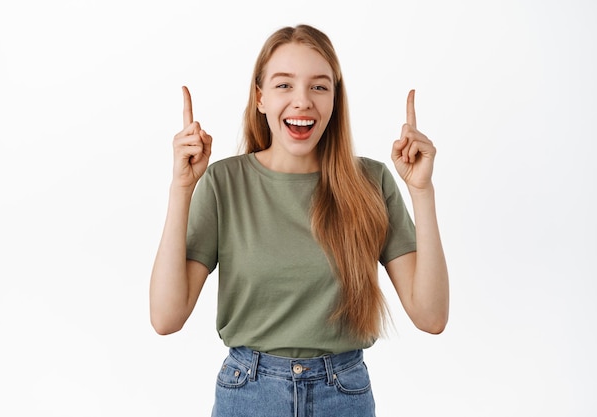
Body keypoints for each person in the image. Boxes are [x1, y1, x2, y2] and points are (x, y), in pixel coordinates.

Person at [149, 24, 449, 417]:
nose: (302, 101)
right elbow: (166, 317)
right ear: (260, 98)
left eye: (319, 86)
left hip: (343, 394)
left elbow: (431, 316)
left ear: (335, 100)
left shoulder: (371, 182)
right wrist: (181, 189)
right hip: (249, 393)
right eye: (284, 85)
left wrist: (422, 192)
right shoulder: (224, 183)